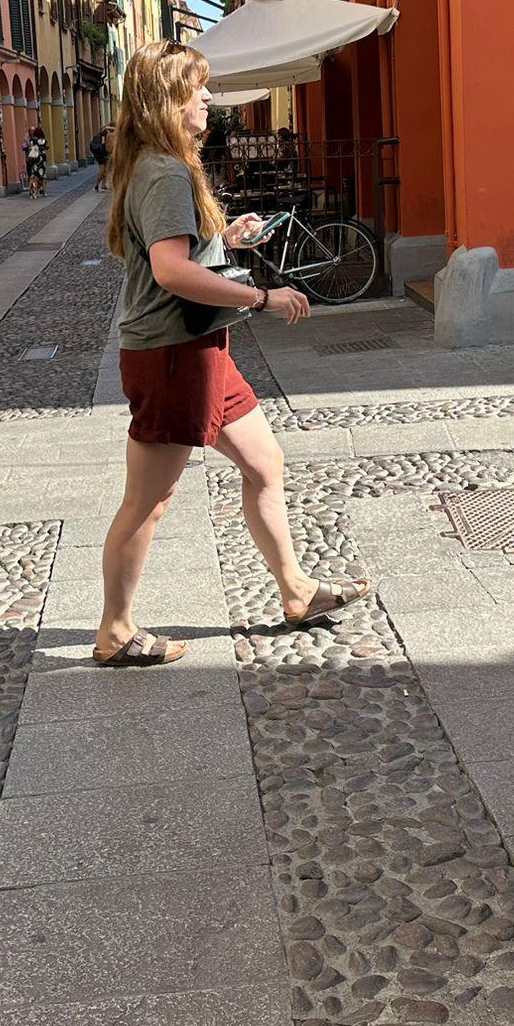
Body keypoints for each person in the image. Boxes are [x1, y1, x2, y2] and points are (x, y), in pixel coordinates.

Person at [94, 41, 369, 667]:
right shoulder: (163, 171)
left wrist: (223, 237)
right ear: (170, 97)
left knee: (265, 463)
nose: (209, 97)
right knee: (149, 500)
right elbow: (168, 271)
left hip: (199, 350)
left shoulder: (157, 165)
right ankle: (114, 632)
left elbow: (177, 255)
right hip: (172, 354)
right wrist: (260, 295)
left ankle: (296, 591)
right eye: (199, 87)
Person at [24, 127, 48, 197]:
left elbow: (30, 147)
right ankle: (43, 190)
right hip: (42, 159)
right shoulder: (43, 140)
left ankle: (34, 191)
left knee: (34, 175)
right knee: (42, 175)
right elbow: (46, 147)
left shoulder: (33, 139)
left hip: (35, 159)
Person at [90, 125, 111, 191]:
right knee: (102, 171)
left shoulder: (102, 134)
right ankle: (96, 185)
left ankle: (103, 185)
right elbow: (104, 146)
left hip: (102, 155)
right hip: (102, 156)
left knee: (105, 170)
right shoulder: (104, 135)